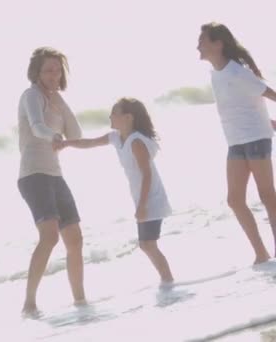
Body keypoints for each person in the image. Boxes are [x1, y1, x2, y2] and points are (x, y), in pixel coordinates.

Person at [56, 98, 174, 284]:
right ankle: (167, 280)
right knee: (147, 244)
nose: (110, 116)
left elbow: (147, 175)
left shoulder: (136, 142)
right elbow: (90, 143)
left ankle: (168, 281)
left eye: (114, 113)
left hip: (151, 198)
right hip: (141, 198)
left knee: (147, 244)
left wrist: (142, 205)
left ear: (128, 117)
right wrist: (67, 143)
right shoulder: (116, 138)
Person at [197, 22, 276, 264]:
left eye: (202, 41)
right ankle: (261, 253)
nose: (197, 46)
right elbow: (244, 102)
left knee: (267, 196)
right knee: (235, 200)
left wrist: (268, 123)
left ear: (218, 44)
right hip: (236, 141)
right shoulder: (217, 73)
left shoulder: (236, 71)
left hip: (254, 138)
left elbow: (268, 93)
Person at [17, 47, 86, 316]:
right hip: (33, 174)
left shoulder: (55, 98)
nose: (54, 75)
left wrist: (59, 102)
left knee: (75, 239)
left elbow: (76, 133)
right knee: (49, 236)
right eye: (48, 70)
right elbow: (36, 125)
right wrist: (54, 136)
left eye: (57, 70)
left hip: (55, 175)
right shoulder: (30, 95)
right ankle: (29, 302)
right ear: (36, 72)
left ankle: (80, 301)